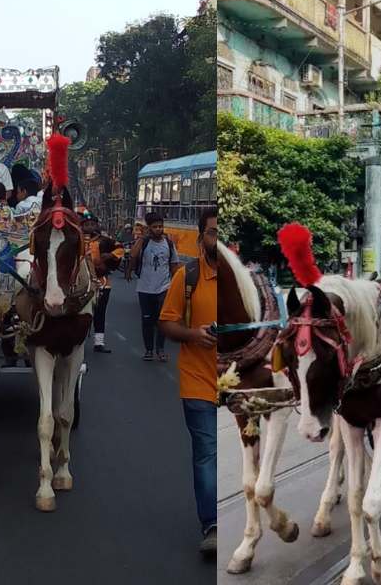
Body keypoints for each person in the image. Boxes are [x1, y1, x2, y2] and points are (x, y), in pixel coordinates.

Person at [158, 207, 217, 557]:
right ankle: (212, 526)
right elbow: (167, 323)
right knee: (206, 453)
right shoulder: (187, 276)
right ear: (201, 238)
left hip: (239, 382)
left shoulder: (243, 282)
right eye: (212, 233)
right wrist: (194, 335)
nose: (217, 239)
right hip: (198, 381)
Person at [127, 212, 180, 361]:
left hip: (164, 288)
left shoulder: (168, 243)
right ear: (149, 228)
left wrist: (176, 284)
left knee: (162, 320)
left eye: (160, 226)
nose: (159, 229)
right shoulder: (144, 242)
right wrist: (142, 238)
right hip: (144, 288)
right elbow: (133, 255)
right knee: (147, 320)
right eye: (155, 227)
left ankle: (160, 350)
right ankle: (149, 350)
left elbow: (174, 264)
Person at [81, 209, 125, 353]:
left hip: (101, 282)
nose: (89, 227)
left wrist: (110, 256)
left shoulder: (105, 240)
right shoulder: (76, 240)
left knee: (100, 312)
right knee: (80, 313)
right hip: (80, 284)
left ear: (97, 225)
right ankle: (79, 342)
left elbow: (120, 249)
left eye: (92, 224)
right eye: (86, 224)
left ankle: (99, 343)